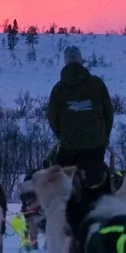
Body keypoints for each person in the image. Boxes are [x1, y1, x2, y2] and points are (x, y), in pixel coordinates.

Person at [46, 46, 114, 192]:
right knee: (96, 180)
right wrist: (103, 136)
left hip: (68, 146)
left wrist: (63, 137)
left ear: (65, 62)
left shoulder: (58, 89)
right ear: (81, 60)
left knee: (63, 182)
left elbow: (52, 118)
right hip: (96, 144)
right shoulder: (97, 84)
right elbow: (108, 113)